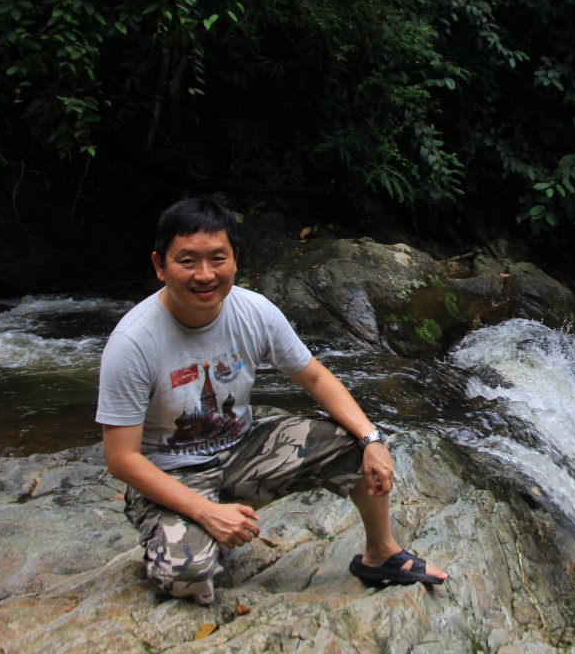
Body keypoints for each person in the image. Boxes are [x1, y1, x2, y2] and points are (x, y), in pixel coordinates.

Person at [96, 195, 446, 604]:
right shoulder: (133, 342)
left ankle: (381, 553)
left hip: (241, 451)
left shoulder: (255, 311)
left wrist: (372, 438)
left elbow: (315, 377)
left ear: (236, 259)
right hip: (171, 475)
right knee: (188, 578)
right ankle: (196, 525)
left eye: (217, 258)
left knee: (352, 440)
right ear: (160, 265)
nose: (205, 274)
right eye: (188, 261)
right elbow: (121, 459)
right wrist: (205, 512)